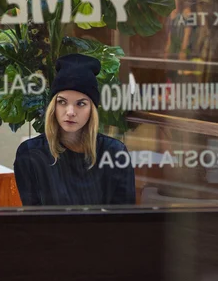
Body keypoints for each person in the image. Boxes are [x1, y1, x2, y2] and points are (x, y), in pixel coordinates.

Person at [14, 54, 136, 206]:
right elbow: (33, 220)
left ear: (92, 110)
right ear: (53, 106)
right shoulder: (31, 153)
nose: (70, 112)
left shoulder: (114, 152)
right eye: (62, 102)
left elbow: (125, 219)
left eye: (81, 104)